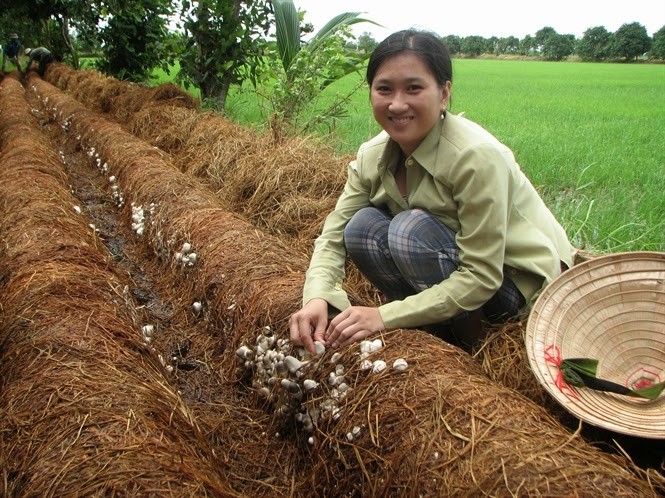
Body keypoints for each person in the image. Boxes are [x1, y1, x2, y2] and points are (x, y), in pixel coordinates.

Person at [289, 29, 575, 355]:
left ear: (444, 93)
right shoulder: (372, 156)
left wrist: (383, 317)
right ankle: (435, 329)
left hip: (516, 284)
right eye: (384, 89)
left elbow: (481, 275)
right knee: (361, 227)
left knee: (409, 229)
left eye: (414, 88)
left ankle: (473, 346)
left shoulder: (474, 157)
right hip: (454, 269)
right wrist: (317, 296)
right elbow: (334, 234)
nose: (397, 104)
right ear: (371, 94)